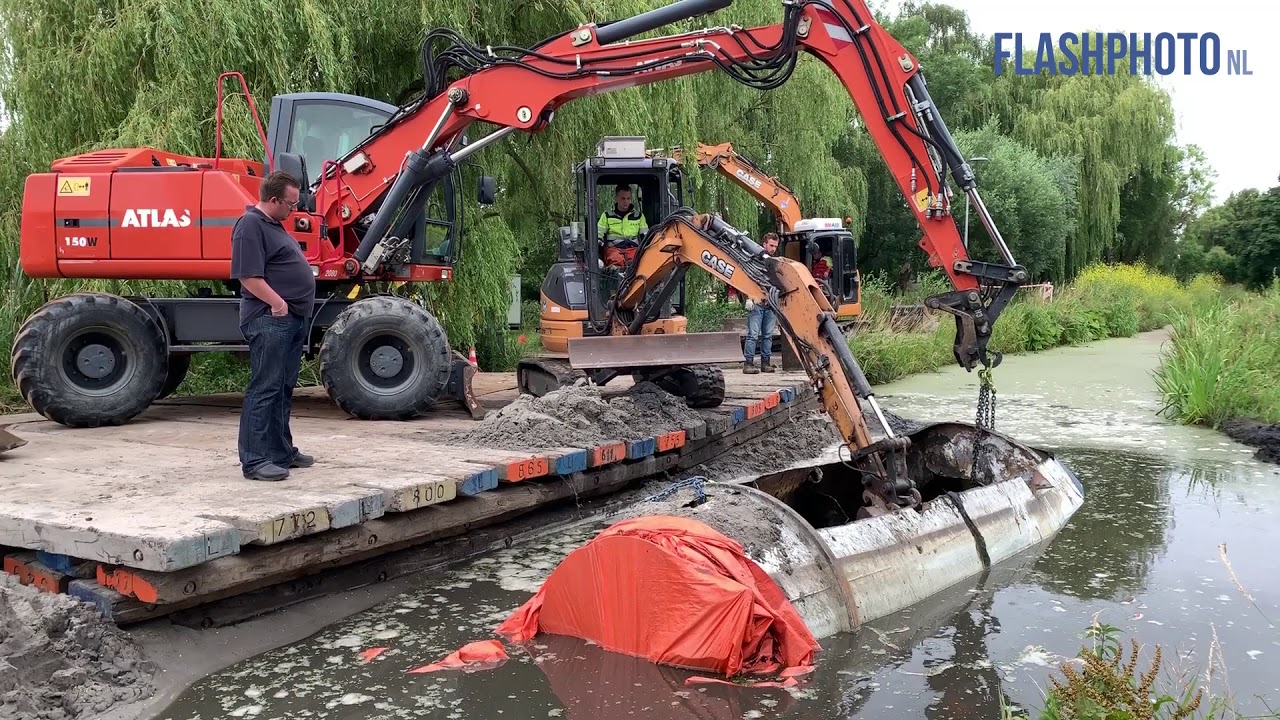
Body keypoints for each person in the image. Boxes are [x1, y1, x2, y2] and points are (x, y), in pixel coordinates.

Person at [230, 171, 316, 481]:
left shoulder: (273, 225)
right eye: (291, 204)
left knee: (282, 387)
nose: (294, 210)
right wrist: (278, 303)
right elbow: (247, 275)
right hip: (270, 317)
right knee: (264, 388)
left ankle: (280, 451)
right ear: (275, 199)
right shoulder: (250, 225)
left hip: (290, 318)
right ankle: (254, 460)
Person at [742, 232, 779, 374]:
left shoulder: (773, 263)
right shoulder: (755, 261)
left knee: (767, 335)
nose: (773, 248)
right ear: (764, 244)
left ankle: (766, 363)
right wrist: (749, 297)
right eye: (771, 245)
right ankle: (748, 364)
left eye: (775, 246)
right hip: (757, 302)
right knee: (753, 335)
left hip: (770, 304)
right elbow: (748, 280)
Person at [597, 184, 648, 268]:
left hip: (633, 249)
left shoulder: (639, 216)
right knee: (615, 260)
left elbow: (646, 237)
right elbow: (599, 235)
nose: (626, 201)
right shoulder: (606, 215)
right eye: (623, 198)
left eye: (628, 198)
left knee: (640, 262)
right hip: (614, 249)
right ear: (616, 198)